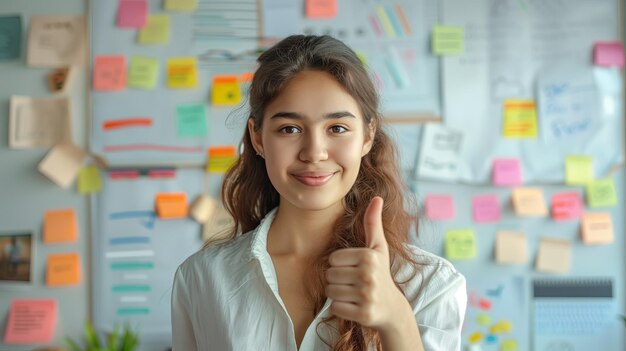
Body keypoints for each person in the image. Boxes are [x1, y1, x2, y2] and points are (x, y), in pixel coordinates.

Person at [171, 35, 466, 351]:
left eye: (337, 128)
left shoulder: (431, 284)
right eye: (290, 129)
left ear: (368, 136)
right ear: (257, 139)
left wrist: (396, 319)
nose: (314, 153)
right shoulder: (201, 279)